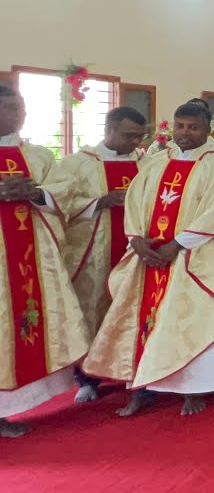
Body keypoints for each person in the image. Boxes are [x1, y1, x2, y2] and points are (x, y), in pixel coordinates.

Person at [83, 102, 214, 417]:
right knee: (144, 322)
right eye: (180, 126)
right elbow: (135, 202)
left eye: (193, 127)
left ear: (208, 129)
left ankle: (193, 389)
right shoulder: (155, 162)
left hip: (197, 256)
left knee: (193, 320)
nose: (185, 133)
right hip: (151, 256)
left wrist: (177, 244)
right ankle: (142, 388)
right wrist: (136, 240)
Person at [0, 87, 89, 437]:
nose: (19, 114)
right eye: (10, 108)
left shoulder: (36, 155)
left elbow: (62, 191)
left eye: (21, 107)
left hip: (26, 257)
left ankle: (5, 412)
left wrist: (36, 193)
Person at [58, 106, 147, 402]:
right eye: (127, 135)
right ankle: (88, 378)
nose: (134, 142)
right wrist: (101, 202)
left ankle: (132, 369)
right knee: (92, 308)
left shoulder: (147, 162)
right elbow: (60, 203)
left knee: (132, 308)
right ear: (108, 129)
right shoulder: (77, 164)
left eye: (138, 136)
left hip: (135, 249)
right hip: (95, 250)